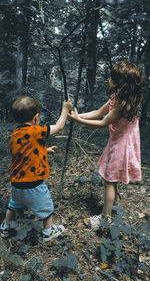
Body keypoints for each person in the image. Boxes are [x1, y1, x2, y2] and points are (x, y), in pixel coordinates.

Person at [68, 61, 143, 230]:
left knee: (109, 181)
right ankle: (111, 205)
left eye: (112, 78)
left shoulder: (123, 105)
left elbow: (103, 122)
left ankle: (105, 218)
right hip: (117, 142)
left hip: (122, 146)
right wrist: (77, 115)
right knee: (111, 180)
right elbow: (98, 113)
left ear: (120, 83)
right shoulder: (116, 98)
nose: (109, 81)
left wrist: (77, 120)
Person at [1, 95, 72, 241]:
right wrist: (65, 109)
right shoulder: (36, 131)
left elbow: (25, 151)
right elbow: (59, 127)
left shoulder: (15, 134)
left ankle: (5, 228)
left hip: (16, 184)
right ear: (36, 118)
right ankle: (48, 232)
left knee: (13, 206)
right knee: (47, 208)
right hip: (34, 184)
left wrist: (45, 150)